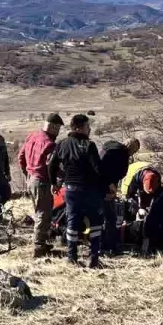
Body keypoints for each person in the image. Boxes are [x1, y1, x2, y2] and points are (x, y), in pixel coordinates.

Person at [48, 114, 106, 268]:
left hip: (71, 190)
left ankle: (71, 257)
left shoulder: (62, 144)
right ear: (79, 128)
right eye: (87, 126)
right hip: (90, 190)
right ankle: (93, 258)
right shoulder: (89, 145)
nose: (90, 129)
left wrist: (54, 183)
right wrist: (106, 187)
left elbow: (51, 165)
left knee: (72, 222)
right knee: (95, 223)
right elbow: (98, 169)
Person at [17, 113, 64, 257]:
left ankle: (41, 243)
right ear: (53, 126)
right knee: (43, 215)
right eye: (58, 128)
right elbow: (52, 167)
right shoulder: (49, 144)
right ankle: (38, 249)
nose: (58, 132)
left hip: (31, 179)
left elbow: (21, 156)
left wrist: (27, 175)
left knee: (39, 213)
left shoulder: (32, 136)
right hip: (42, 181)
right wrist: (57, 181)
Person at [98, 138, 140, 253]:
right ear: (130, 146)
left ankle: (104, 244)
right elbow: (104, 169)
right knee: (110, 218)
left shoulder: (111, 148)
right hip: (105, 189)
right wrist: (109, 184)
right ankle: (108, 246)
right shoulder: (118, 153)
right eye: (134, 150)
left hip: (103, 187)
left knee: (104, 218)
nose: (133, 153)